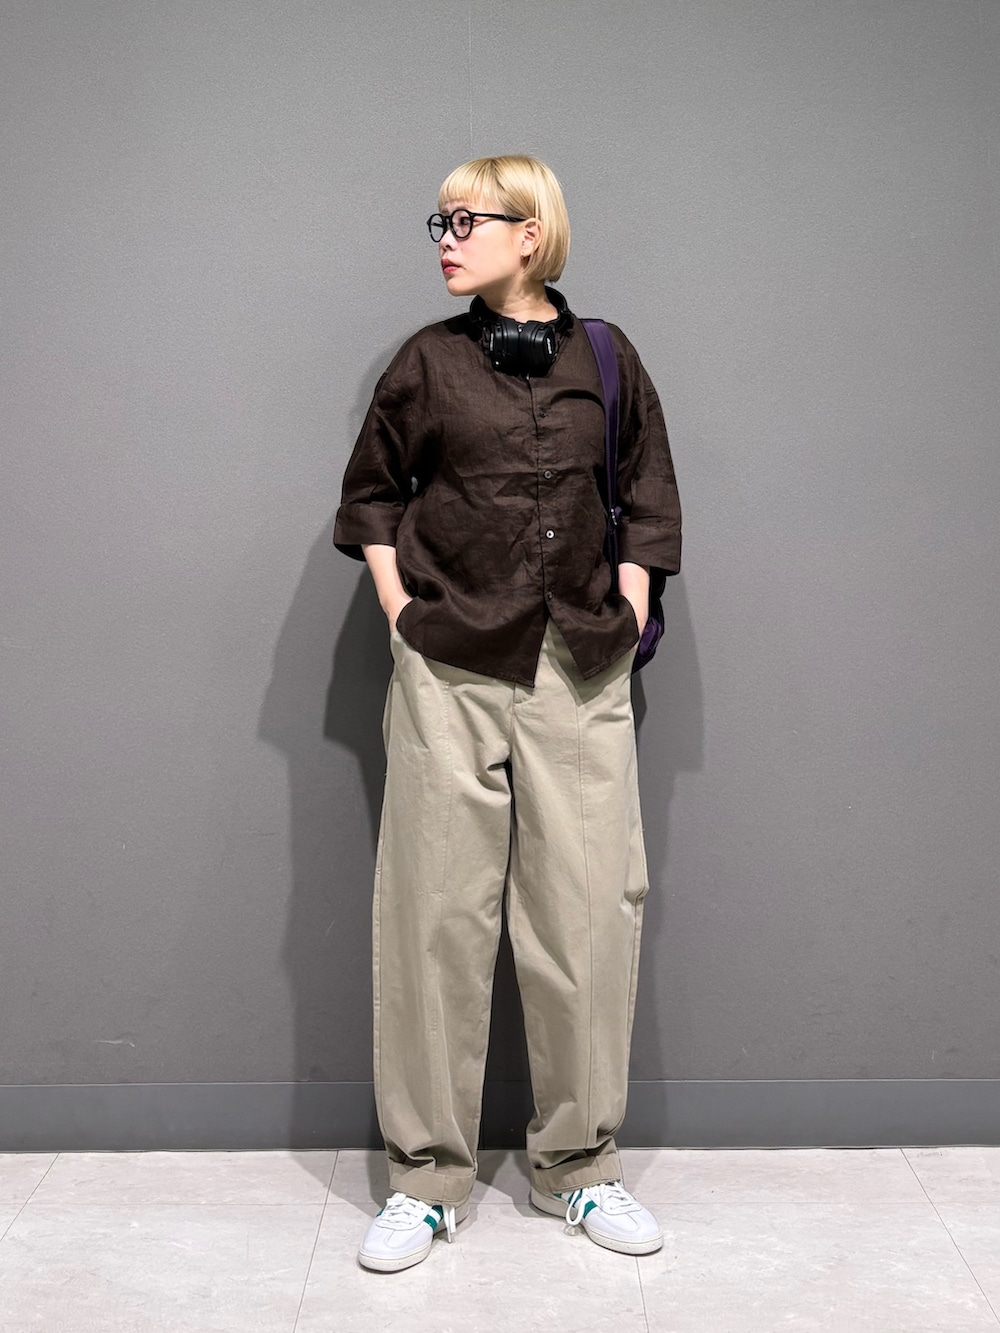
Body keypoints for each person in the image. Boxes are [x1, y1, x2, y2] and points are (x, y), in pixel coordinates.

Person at [334, 155, 681, 1272]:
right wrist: (401, 614)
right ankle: (427, 1179)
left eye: (465, 220)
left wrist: (632, 601)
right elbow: (372, 496)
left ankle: (578, 1166)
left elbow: (647, 493)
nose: (444, 238)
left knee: (588, 916)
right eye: (437, 221)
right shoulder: (425, 363)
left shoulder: (607, 357)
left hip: (578, 663)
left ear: (530, 233)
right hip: (450, 665)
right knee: (433, 916)